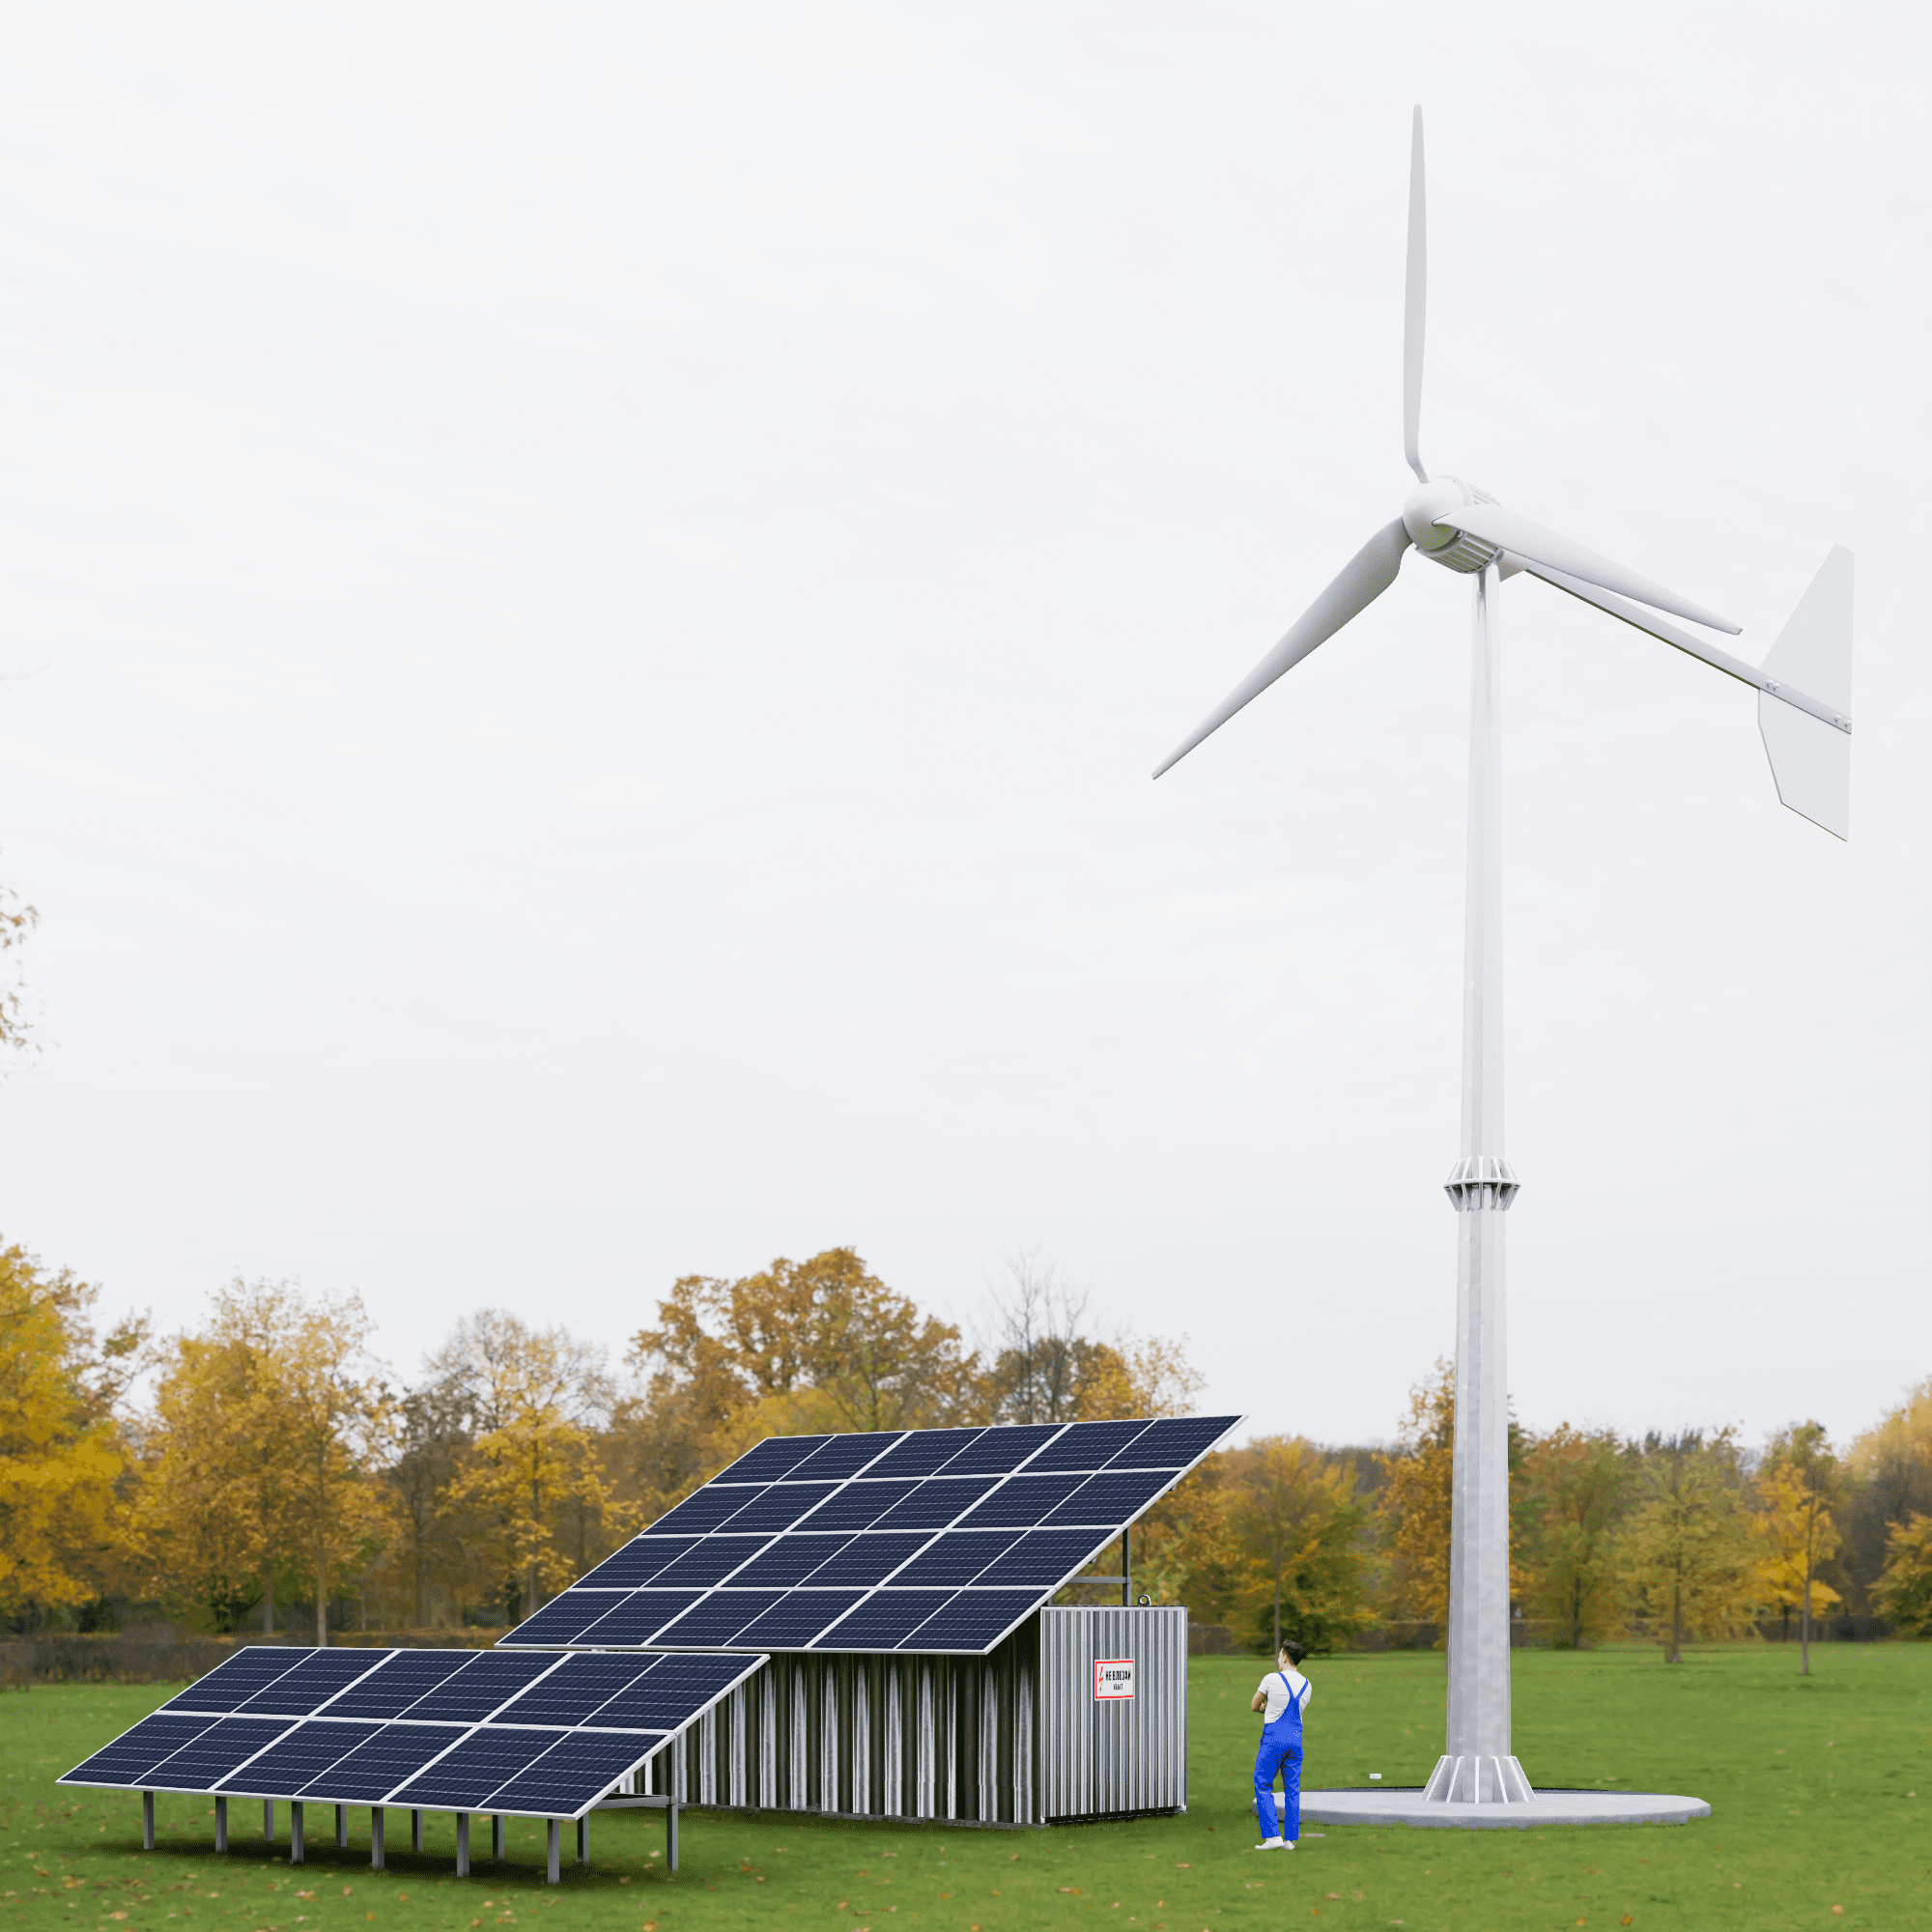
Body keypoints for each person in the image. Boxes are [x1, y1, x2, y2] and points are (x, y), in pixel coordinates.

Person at [1250, 1639, 1311, 1849]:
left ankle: (1272, 1837)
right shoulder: (1307, 1684)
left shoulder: (1271, 1679)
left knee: (1263, 1783)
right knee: (1292, 1789)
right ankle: (1290, 1840)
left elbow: (1254, 1705)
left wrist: (1265, 1709)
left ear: (1284, 1657)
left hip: (1274, 1738)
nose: (1278, 1658)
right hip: (1295, 1740)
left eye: (1279, 1655)